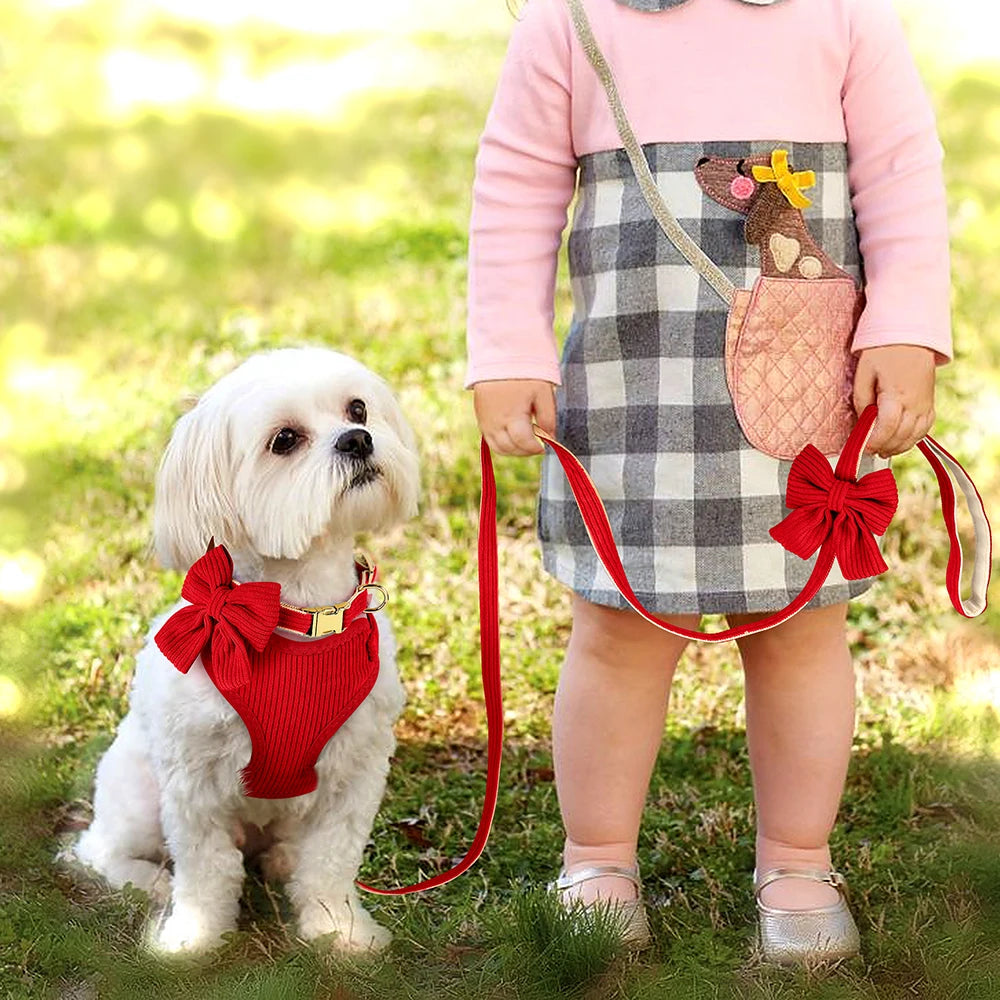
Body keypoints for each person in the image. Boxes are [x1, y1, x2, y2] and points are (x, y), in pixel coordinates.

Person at [465, 0, 950, 962]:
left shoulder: (846, 14)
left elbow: (902, 173)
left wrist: (904, 327)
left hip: (804, 391)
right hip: (632, 384)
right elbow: (514, 185)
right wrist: (509, 347)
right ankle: (597, 858)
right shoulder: (571, 20)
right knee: (619, 630)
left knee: (801, 630)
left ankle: (798, 858)